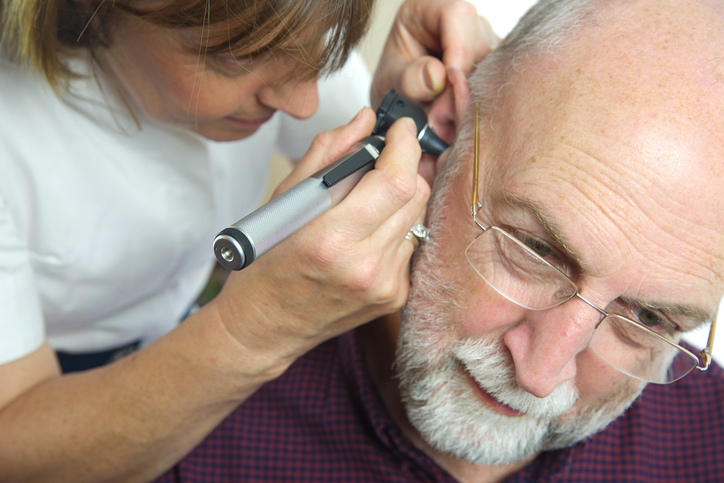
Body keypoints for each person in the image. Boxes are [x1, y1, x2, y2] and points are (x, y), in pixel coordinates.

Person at [156, 0, 724, 481]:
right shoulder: (186, 434)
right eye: (536, 251)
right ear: (446, 133)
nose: (541, 374)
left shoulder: (708, 447)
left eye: (649, 318)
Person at [0, 0, 497, 481]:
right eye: (239, 57)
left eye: (319, 49)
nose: (305, 104)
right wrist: (249, 330)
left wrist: (421, 112)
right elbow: (15, 453)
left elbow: (383, 161)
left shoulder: (277, 30)